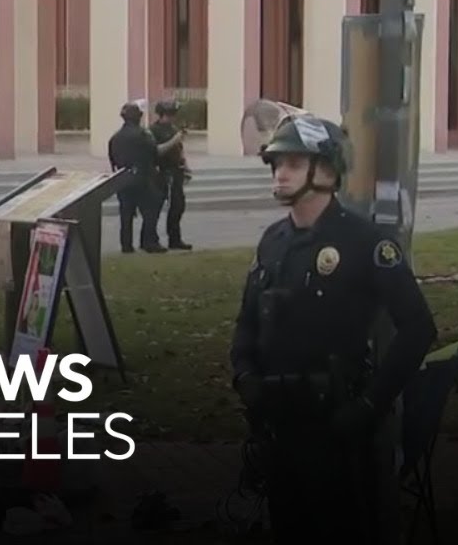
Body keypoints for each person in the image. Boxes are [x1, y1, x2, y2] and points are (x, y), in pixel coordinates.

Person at [228, 113, 438, 543]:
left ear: (325, 170)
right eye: (275, 164)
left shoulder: (365, 242)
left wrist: (369, 406)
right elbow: (247, 321)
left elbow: (418, 328)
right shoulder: (273, 241)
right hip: (278, 424)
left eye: (292, 162)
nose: (279, 173)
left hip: (336, 429)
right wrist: (244, 375)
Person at [107, 101, 180, 254]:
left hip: (123, 179)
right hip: (143, 179)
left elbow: (113, 160)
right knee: (151, 211)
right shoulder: (144, 135)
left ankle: (126, 245)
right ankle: (149, 242)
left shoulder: (115, 138)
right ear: (139, 117)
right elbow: (156, 152)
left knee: (126, 215)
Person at [149, 99, 193, 250]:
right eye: (170, 114)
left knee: (178, 206)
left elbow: (179, 150)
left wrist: (185, 166)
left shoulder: (173, 129)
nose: (173, 118)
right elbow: (157, 151)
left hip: (176, 171)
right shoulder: (154, 130)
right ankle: (151, 239)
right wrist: (174, 140)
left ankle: (175, 239)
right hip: (163, 172)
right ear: (163, 115)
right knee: (156, 206)